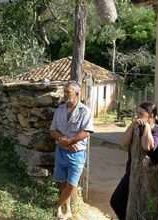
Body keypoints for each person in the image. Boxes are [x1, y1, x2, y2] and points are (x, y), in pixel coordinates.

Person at [110, 102, 158, 220]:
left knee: (143, 208)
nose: (137, 116)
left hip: (149, 178)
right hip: (132, 173)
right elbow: (123, 143)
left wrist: (146, 127)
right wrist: (131, 126)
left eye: (141, 114)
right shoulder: (136, 127)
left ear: (151, 116)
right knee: (116, 201)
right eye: (137, 113)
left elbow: (147, 146)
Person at [50, 81, 94, 220]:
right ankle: (67, 209)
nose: (65, 95)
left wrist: (70, 141)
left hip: (77, 153)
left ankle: (57, 205)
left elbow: (86, 131)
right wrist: (63, 140)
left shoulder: (84, 111)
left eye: (67, 92)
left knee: (72, 184)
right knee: (61, 182)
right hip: (61, 151)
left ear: (77, 93)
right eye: (64, 92)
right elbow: (52, 130)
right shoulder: (60, 109)